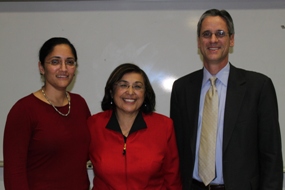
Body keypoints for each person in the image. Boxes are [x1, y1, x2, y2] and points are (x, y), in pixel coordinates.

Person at [170, 9, 283, 190]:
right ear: (199, 42)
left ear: (231, 40)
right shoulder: (182, 88)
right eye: (206, 34)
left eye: (220, 34)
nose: (213, 40)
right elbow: (176, 151)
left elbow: (272, 155)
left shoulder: (258, 87)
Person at [3, 37, 91, 190]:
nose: (63, 68)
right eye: (55, 62)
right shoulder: (24, 110)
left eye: (70, 62)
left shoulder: (79, 104)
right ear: (41, 67)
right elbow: (14, 173)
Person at [88, 63, 182, 189]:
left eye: (137, 87)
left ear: (145, 94)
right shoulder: (93, 125)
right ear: (111, 91)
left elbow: (172, 179)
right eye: (123, 85)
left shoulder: (164, 126)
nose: (130, 92)